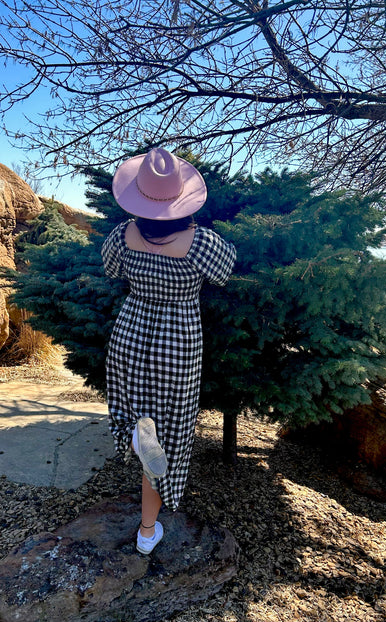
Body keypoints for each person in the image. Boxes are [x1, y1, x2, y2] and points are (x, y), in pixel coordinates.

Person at [101, 148, 236, 554]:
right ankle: (146, 532)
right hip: (178, 342)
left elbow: (111, 270)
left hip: (130, 333)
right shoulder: (201, 243)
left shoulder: (123, 235)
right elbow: (226, 272)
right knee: (172, 432)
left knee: (132, 410)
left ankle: (137, 440)